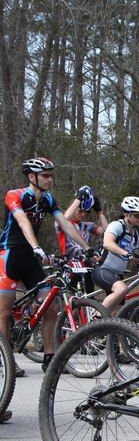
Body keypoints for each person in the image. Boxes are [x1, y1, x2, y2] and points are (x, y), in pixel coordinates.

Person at [0, 159, 92, 392]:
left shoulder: (48, 199)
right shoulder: (15, 195)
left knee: (50, 305)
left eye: (51, 175)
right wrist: (35, 247)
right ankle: (6, 359)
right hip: (9, 254)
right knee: (4, 311)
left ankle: (49, 356)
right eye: (45, 175)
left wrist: (87, 248)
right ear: (32, 177)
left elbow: (66, 224)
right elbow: (21, 221)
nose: (50, 179)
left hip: (31, 258)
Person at [93, 196, 139, 314]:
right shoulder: (117, 226)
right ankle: (96, 320)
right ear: (126, 214)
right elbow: (107, 243)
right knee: (122, 289)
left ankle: (105, 331)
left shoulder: (136, 234)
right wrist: (127, 254)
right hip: (103, 269)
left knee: (117, 312)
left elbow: (138, 256)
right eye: (137, 215)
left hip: (118, 274)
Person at [56, 186, 108, 258]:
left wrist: (100, 212)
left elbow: (107, 232)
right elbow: (63, 220)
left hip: (84, 263)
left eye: (86, 212)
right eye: (80, 211)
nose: (83, 214)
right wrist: (78, 200)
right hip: (68, 263)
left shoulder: (87, 226)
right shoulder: (63, 224)